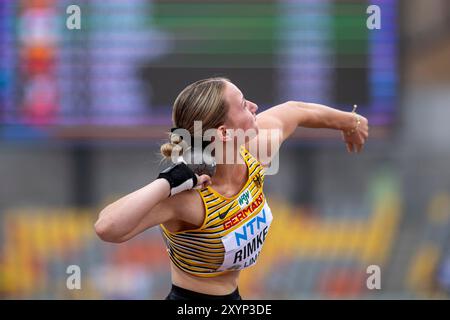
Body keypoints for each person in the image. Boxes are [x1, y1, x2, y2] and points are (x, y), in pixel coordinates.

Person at [94, 77, 369, 300]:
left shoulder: (255, 151)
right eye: (242, 104)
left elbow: (297, 110)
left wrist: (350, 122)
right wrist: (167, 182)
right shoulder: (188, 198)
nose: (254, 105)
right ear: (224, 132)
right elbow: (107, 227)